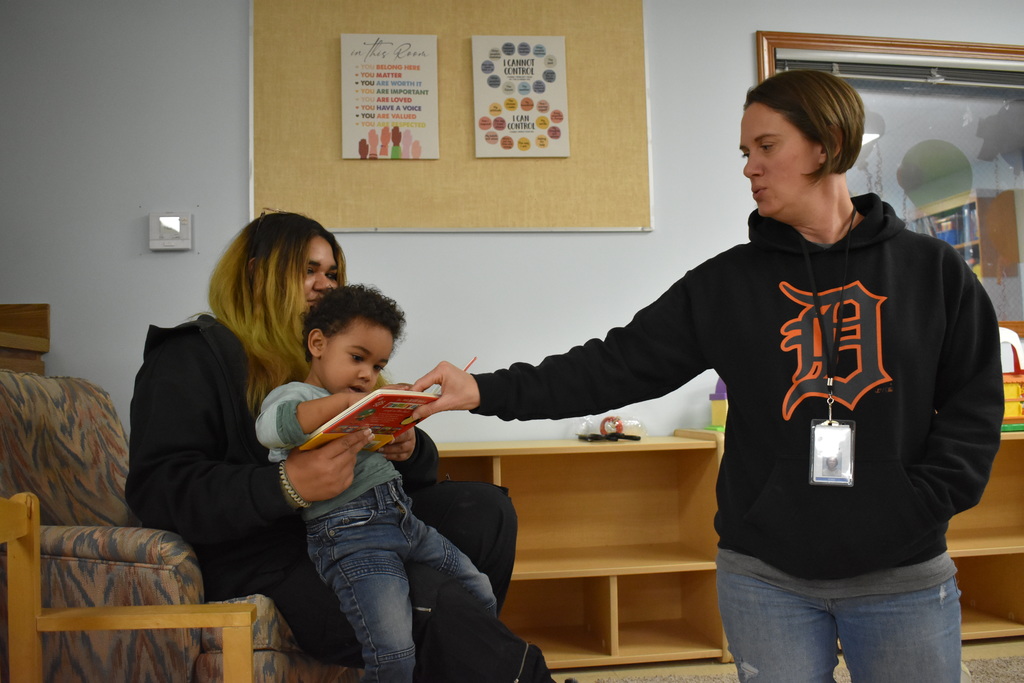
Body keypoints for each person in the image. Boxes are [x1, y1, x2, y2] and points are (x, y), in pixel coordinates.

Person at [411, 70, 1003, 683]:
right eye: (745, 153)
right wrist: (485, 390)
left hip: (902, 569)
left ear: (825, 145)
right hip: (767, 575)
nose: (749, 167)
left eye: (766, 147)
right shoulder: (726, 284)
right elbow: (615, 365)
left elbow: (974, 404)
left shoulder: (933, 271)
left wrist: (922, 503)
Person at [126, 211, 554, 682]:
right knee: (434, 595)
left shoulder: (334, 350)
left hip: (368, 515)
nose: (324, 285)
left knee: (485, 509)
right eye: (308, 270)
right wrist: (286, 486)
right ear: (255, 273)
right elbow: (157, 491)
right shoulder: (191, 354)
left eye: (332, 273)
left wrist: (408, 448)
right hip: (269, 552)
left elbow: (412, 473)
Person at [255, 283, 496, 682]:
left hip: (405, 521)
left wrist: (400, 421)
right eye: (357, 358)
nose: (368, 374)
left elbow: (395, 446)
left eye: (378, 366)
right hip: (352, 537)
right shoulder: (296, 395)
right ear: (317, 343)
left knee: (479, 591)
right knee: (393, 653)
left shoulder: (365, 396)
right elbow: (271, 429)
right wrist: (343, 404)